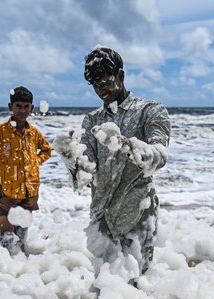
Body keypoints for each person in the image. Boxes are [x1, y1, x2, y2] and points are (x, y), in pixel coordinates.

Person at [55, 47, 171, 285]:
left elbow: (160, 155)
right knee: (104, 285)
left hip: (137, 211)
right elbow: (88, 172)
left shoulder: (150, 111)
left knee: (140, 283)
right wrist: (71, 158)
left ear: (120, 76)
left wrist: (129, 146)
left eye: (106, 81)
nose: (101, 90)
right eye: (95, 85)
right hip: (101, 217)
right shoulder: (92, 120)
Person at [0, 86, 52, 254]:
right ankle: (0, 275)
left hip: (29, 193)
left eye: (26, 106)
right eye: (18, 106)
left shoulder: (34, 133)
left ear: (32, 108)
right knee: (7, 242)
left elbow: (47, 150)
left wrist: (35, 162)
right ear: (10, 107)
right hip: (7, 194)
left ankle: (19, 276)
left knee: (21, 242)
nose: (22, 110)